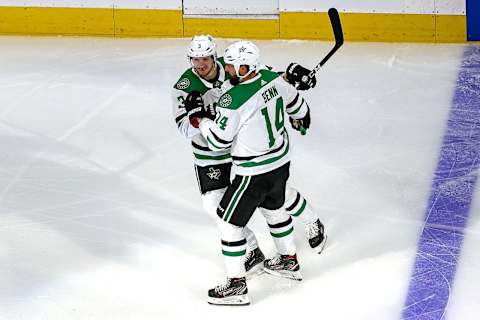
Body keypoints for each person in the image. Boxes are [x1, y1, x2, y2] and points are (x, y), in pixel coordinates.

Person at [185, 40, 318, 305]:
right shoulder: (274, 80)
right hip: (280, 164)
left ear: (244, 68)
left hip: (253, 173)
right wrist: (298, 116)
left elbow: (219, 142)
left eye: (232, 66)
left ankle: (237, 286)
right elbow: (301, 111)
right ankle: (288, 261)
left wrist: (200, 118)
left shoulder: (232, 99)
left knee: (228, 221)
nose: (228, 69)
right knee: (273, 208)